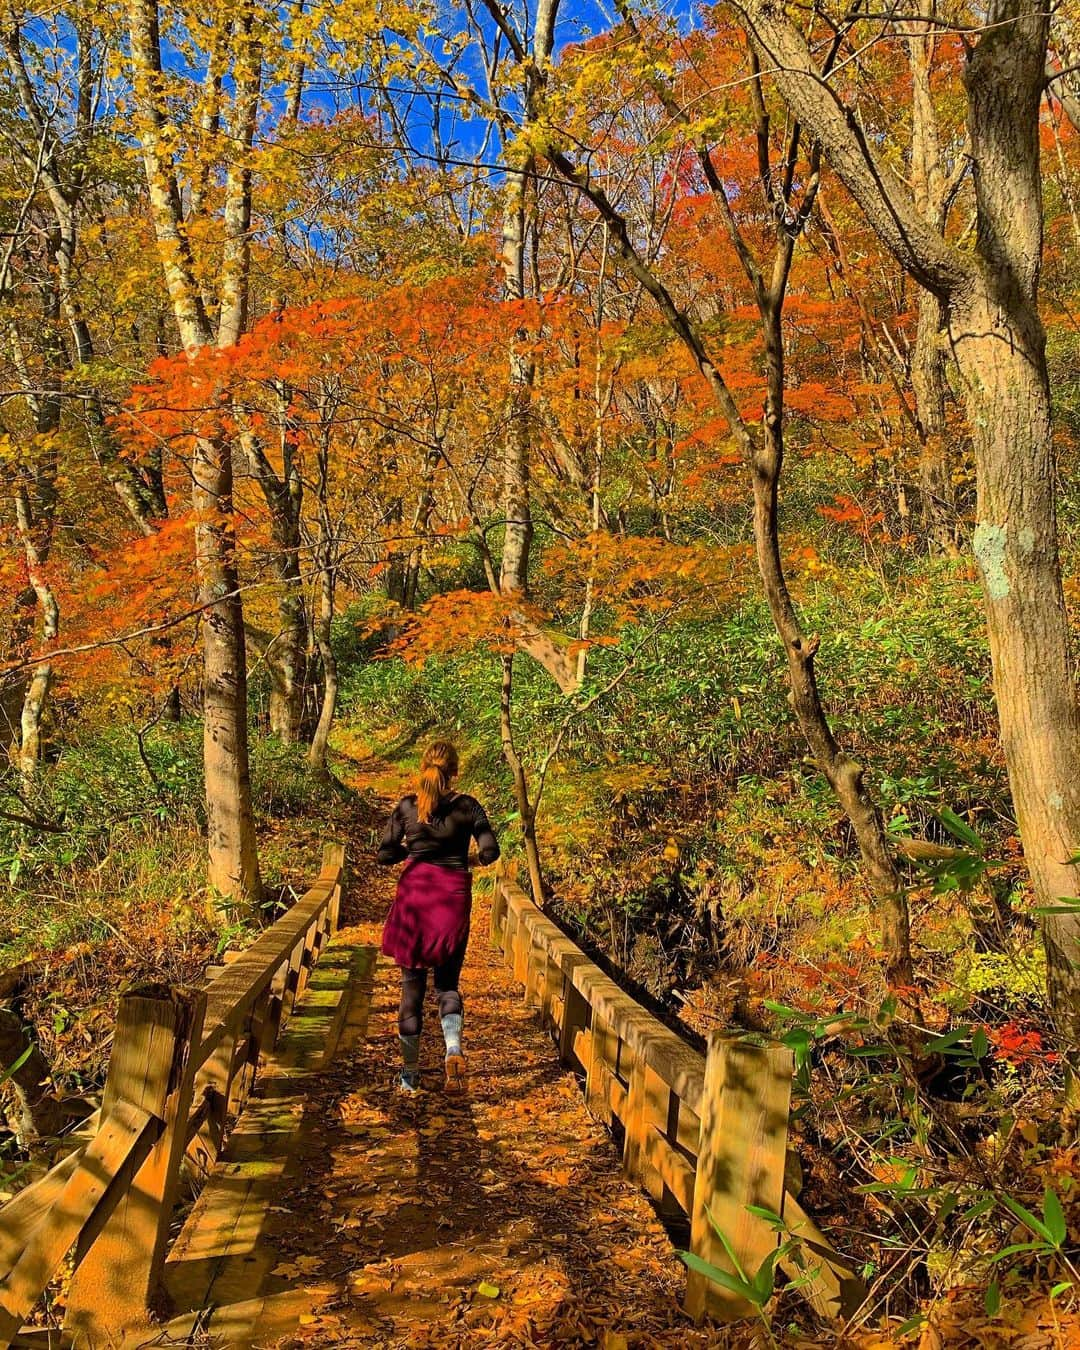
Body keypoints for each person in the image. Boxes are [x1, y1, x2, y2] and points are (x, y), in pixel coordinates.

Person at [376, 740, 500, 1093]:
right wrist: (471, 860)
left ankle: (410, 1074)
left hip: (415, 898)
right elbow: (490, 850)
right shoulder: (468, 807)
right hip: (452, 899)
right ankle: (453, 1049)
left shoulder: (407, 808)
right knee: (447, 985)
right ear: (455, 771)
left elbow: (384, 854)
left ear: (422, 767)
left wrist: (411, 847)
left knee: (411, 989)